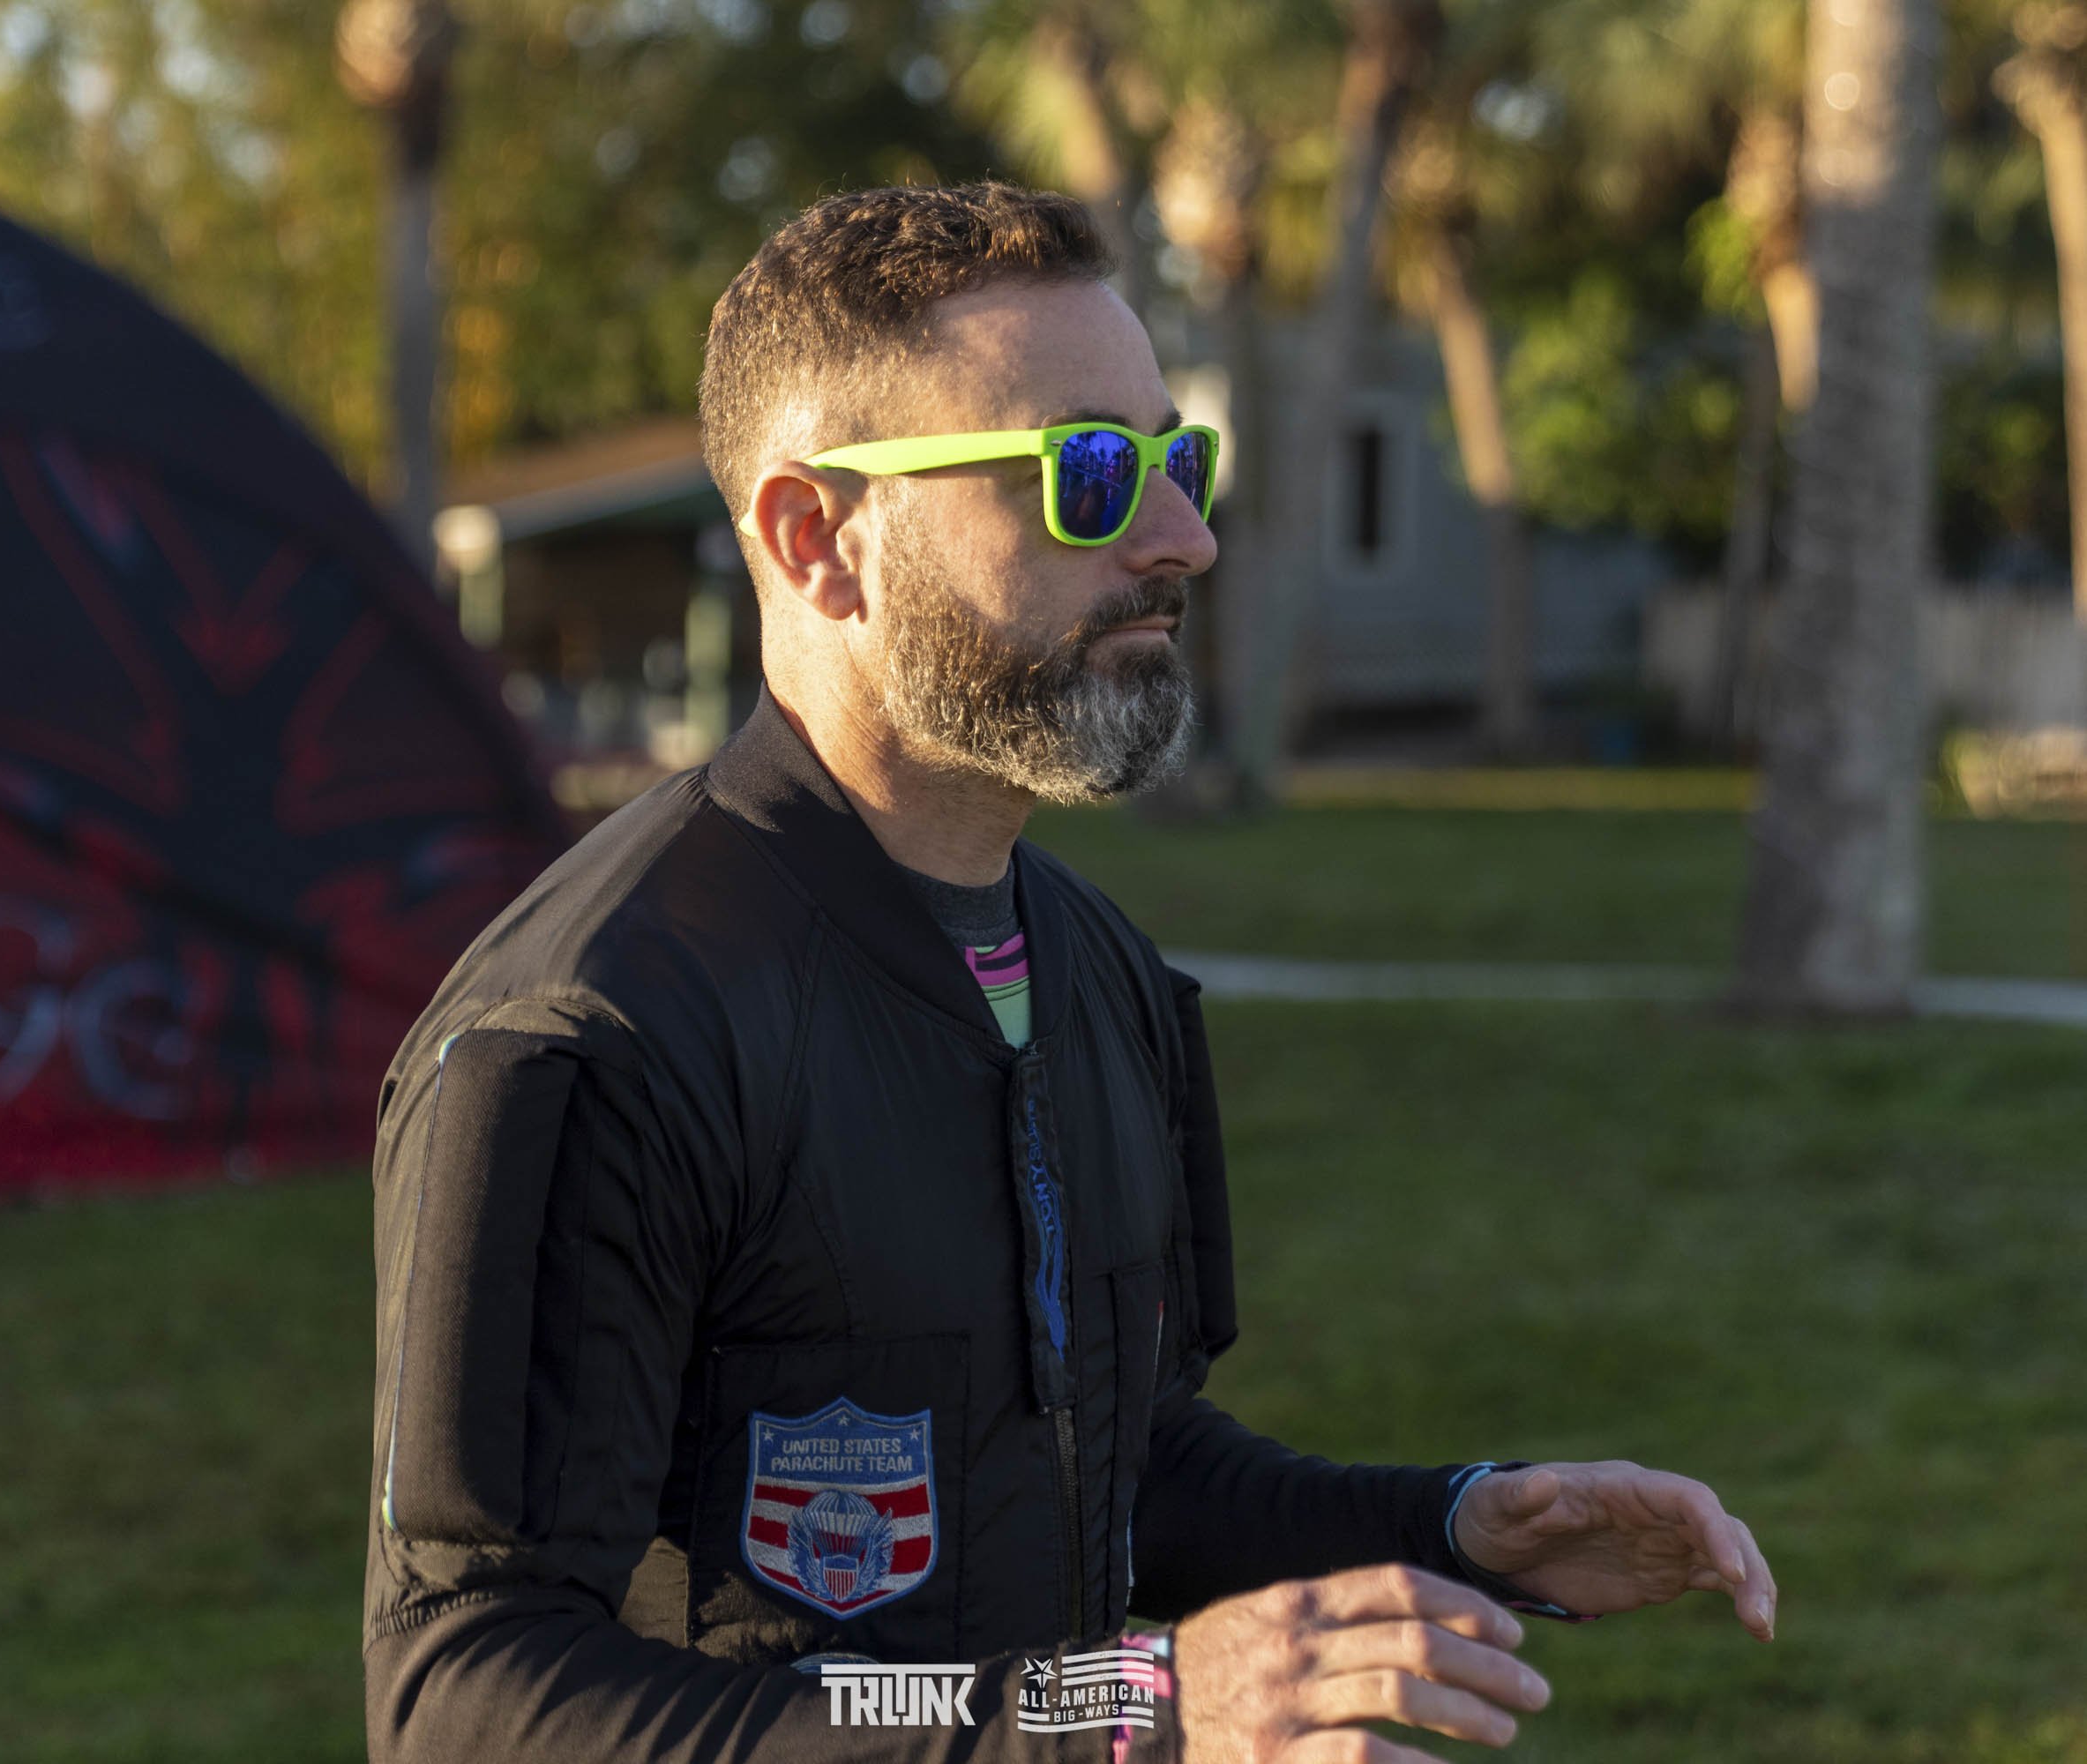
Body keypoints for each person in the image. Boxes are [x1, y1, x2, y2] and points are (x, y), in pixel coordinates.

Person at [362, 181, 1777, 1764]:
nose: (1186, 536)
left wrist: (1452, 1527)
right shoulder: (597, 1035)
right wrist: (1110, 1717)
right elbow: (470, 1697)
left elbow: (1124, 1470)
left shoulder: (1101, 977)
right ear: (818, 537)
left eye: (1180, 458)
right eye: (1085, 475)